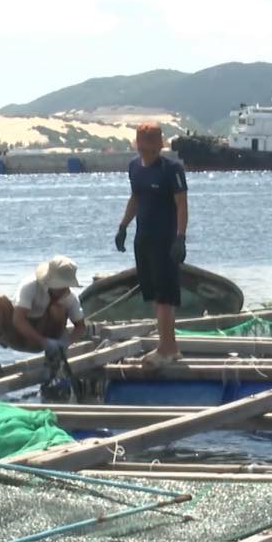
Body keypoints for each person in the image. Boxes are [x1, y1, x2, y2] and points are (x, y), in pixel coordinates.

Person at [115, 122, 188, 368]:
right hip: (143, 238)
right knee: (155, 295)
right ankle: (170, 346)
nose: (149, 150)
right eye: (145, 144)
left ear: (159, 145)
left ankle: (166, 347)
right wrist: (123, 226)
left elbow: (181, 205)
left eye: (153, 144)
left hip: (165, 240)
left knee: (165, 295)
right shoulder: (134, 167)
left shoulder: (172, 169)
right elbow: (135, 197)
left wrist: (180, 237)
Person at [0, 255, 85, 375]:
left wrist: (65, 343)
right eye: (59, 287)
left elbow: (80, 326)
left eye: (65, 287)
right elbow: (18, 319)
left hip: (42, 339)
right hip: (17, 336)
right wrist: (43, 341)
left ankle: (53, 359)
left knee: (57, 308)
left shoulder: (69, 298)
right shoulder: (30, 285)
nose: (63, 291)